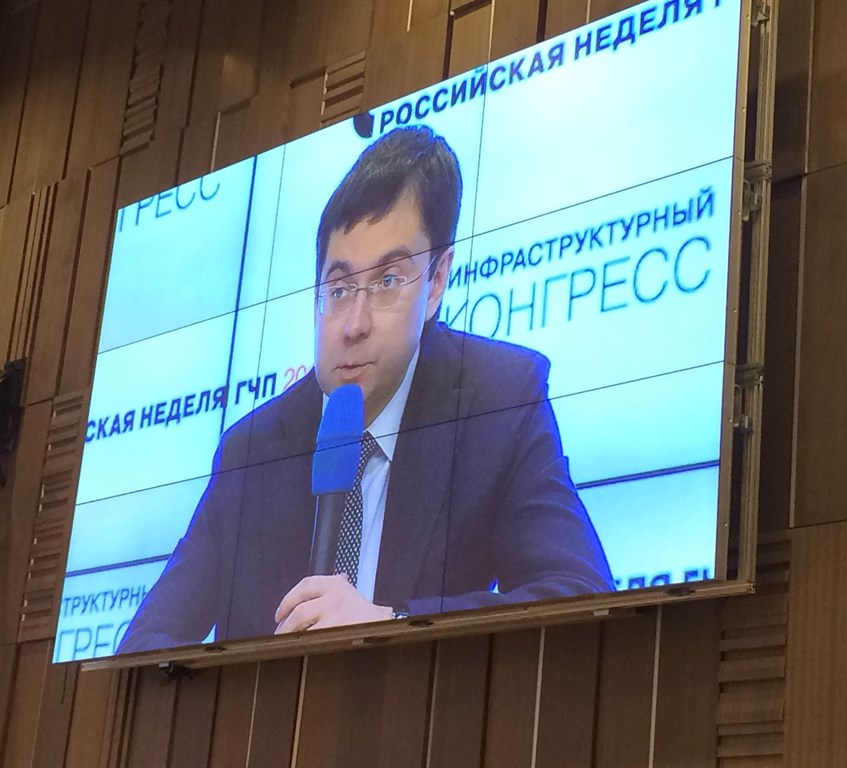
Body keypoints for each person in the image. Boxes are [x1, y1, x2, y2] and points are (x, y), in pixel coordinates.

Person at [117, 126, 612, 653]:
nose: (354, 324)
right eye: (339, 288)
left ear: (436, 282)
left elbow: (579, 597)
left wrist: (390, 623)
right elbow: (143, 646)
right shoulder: (252, 450)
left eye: (388, 281)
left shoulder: (499, 401)